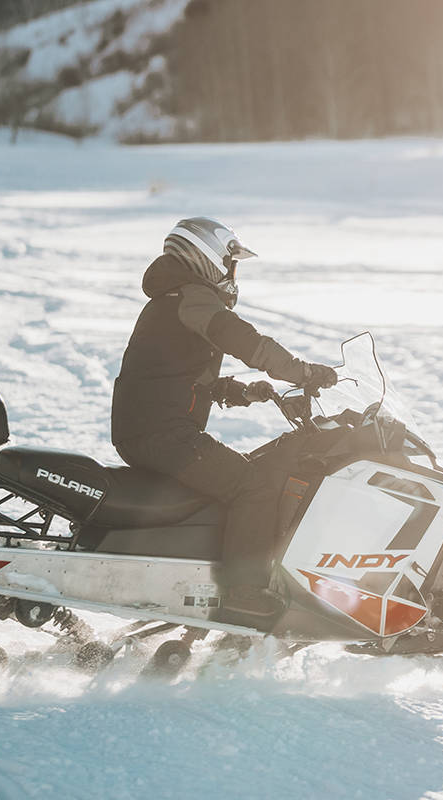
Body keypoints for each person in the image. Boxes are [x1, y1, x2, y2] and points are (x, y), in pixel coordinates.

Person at [111, 217, 337, 618]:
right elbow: (245, 341)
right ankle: (244, 594)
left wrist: (242, 391)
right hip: (163, 434)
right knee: (255, 484)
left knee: (244, 473)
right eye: (231, 264)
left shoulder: (173, 298)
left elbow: (173, 372)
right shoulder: (193, 297)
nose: (234, 275)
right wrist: (301, 372)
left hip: (150, 428)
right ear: (207, 259)